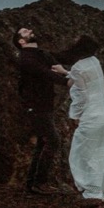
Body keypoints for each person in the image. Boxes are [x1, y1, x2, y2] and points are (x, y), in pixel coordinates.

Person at [57, 35, 104, 202]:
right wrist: (66, 72)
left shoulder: (78, 67)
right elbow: (83, 79)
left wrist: (75, 116)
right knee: (102, 150)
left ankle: (93, 193)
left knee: (83, 153)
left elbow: (80, 95)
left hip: (91, 116)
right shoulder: (94, 61)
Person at [14, 26, 69, 195]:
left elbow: (56, 66)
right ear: (21, 41)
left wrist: (68, 73)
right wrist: (68, 81)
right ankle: (39, 183)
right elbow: (46, 73)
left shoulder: (41, 54)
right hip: (35, 106)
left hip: (44, 105)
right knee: (52, 141)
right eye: (24, 32)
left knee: (43, 142)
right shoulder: (26, 58)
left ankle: (33, 183)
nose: (30, 30)